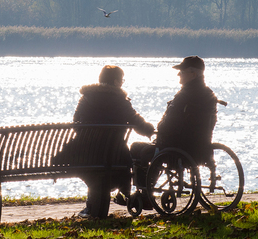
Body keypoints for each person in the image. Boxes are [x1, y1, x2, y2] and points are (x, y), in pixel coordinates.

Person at [72, 65, 155, 217]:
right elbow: (137, 123)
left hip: (84, 154)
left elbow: (76, 122)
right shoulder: (121, 101)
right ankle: (100, 204)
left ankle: (91, 207)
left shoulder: (86, 98)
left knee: (96, 166)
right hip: (115, 156)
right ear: (116, 82)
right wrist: (150, 130)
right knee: (108, 163)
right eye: (122, 80)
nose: (123, 83)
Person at [131, 56, 219, 183]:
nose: (179, 74)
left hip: (177, 149)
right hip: (200, 148)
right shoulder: (209, 95)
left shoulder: (184, 96)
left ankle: (144, 189)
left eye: (182, 72)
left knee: (137, 148)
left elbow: (167, 125)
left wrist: (158, 129)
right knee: (154, 148)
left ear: (193, 74)